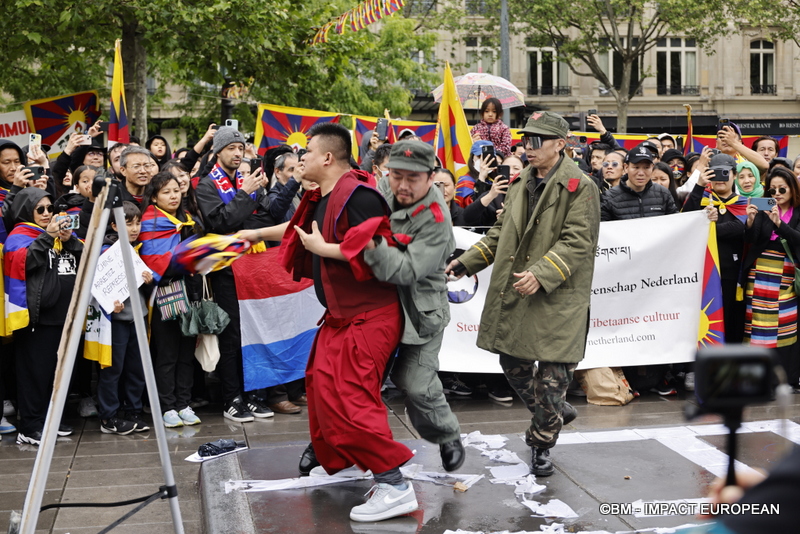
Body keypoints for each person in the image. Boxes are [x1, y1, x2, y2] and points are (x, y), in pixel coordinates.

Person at [445, 111, 599, 477]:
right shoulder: (518, 183)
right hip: (519, 290)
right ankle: (555, 409)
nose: (527, 147)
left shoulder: (581, 186)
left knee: (552, 377)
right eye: (526, 140)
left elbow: (578, 242)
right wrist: (467, 262)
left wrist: (542, 273)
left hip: (558, 296)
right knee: (511, 363)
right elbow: (500, 235)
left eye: (537, 141)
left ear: (560, 145)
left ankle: (541, 441)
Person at [282, 122, 417, 522]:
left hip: (369, 318)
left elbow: (385, 253)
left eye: (305, 151)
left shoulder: (358, 196)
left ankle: (394, 485)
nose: (299, 157)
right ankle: (341, 461)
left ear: (326, 157)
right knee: (322, 390)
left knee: (353, 401)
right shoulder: (323, 196)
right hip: (341, 318)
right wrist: (252, 231)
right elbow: (298, 235)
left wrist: (326, 249)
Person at [361, 140, 465, 471]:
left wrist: (369, 243)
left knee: (416, 383)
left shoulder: (436, 218)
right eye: (396, 176)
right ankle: (325, 448)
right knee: (350, 380)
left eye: (413, 179)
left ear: (431, 177)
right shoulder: (382, 189)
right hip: (376, 304)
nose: (402, 186)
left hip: (419, 311)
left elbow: (406, 270)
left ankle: (446, 434)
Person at [195, 126, 279, 422]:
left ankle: (253, 393)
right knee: (231, 335)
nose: (237, 153)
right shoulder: (207, 184)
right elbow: (219, 222)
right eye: (231, 148)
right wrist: (245, 195)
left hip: (254, 267)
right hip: (227, 270)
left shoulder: (245, 181)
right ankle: (231, 397)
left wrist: (255, 193)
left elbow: (260, 219)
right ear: (218, 151)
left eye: (241, 148)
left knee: (254, 331)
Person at [4, 188, 82, 445]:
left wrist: (69, 240)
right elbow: (23, 262)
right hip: (37, 320)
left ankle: (51, 420)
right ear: (27, 211)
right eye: (41, 209)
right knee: (34, 375)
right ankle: (29, 426)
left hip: (65, 317)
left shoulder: (58, 235)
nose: (48, 214)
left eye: (50, 209)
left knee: (56, 374)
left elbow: (85, 260)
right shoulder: (21, 235)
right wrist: (47, 238)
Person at [141, 172, 204, 427]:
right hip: (165, 291)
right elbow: (153, 261)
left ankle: (184, 403)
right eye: (166, 191)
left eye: (176, 190)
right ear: (154, 196)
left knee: (186, 352)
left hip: (190, 290)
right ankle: (167, 406)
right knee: (167, 353)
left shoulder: (188, 220)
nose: (173, 196)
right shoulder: (149, 222)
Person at [97, 201, 152, 435]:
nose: (134, 228)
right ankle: (109, 417)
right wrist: (110, 303)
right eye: (128, 223)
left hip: (138, 318)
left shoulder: (138, 249)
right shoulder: (106, 252)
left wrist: (149, 280)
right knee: (112, 370)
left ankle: (133, 411)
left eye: (138, 223)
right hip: (117, 322)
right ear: (114, 226)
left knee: (137, 368)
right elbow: (96, 286)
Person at [742, 166, 800, 388]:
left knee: (785, 327)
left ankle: (784, 379)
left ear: (792, 189)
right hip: (760, 275)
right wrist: (750, 221)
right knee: (756, 326)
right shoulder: (764, 208)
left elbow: (797, 239)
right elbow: (751, 239)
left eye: (782, 189)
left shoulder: (798, 211)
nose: (776, 194)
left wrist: (780, 224)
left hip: (787, 277)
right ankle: (757, 379)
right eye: (772, 189)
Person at [682, 154, 745, 345]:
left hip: (732, 275)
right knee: (704, 322)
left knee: (732, 321)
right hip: (705, 274)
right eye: (715, 172)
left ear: (734, 175)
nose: (720, 178)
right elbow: (684, 223)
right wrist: (699, 186)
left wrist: (709, 229)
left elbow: (742, 229)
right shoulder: (701, 199)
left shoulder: (743, 204)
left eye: (725, 172)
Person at [601, 145, 678, 222]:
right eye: (636, 167)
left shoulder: (663, 193)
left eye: (646, 168)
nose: (641, 173)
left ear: (652, 167)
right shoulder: (609, 197)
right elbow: (602, 229)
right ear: (626, 168)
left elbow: (675, 223)